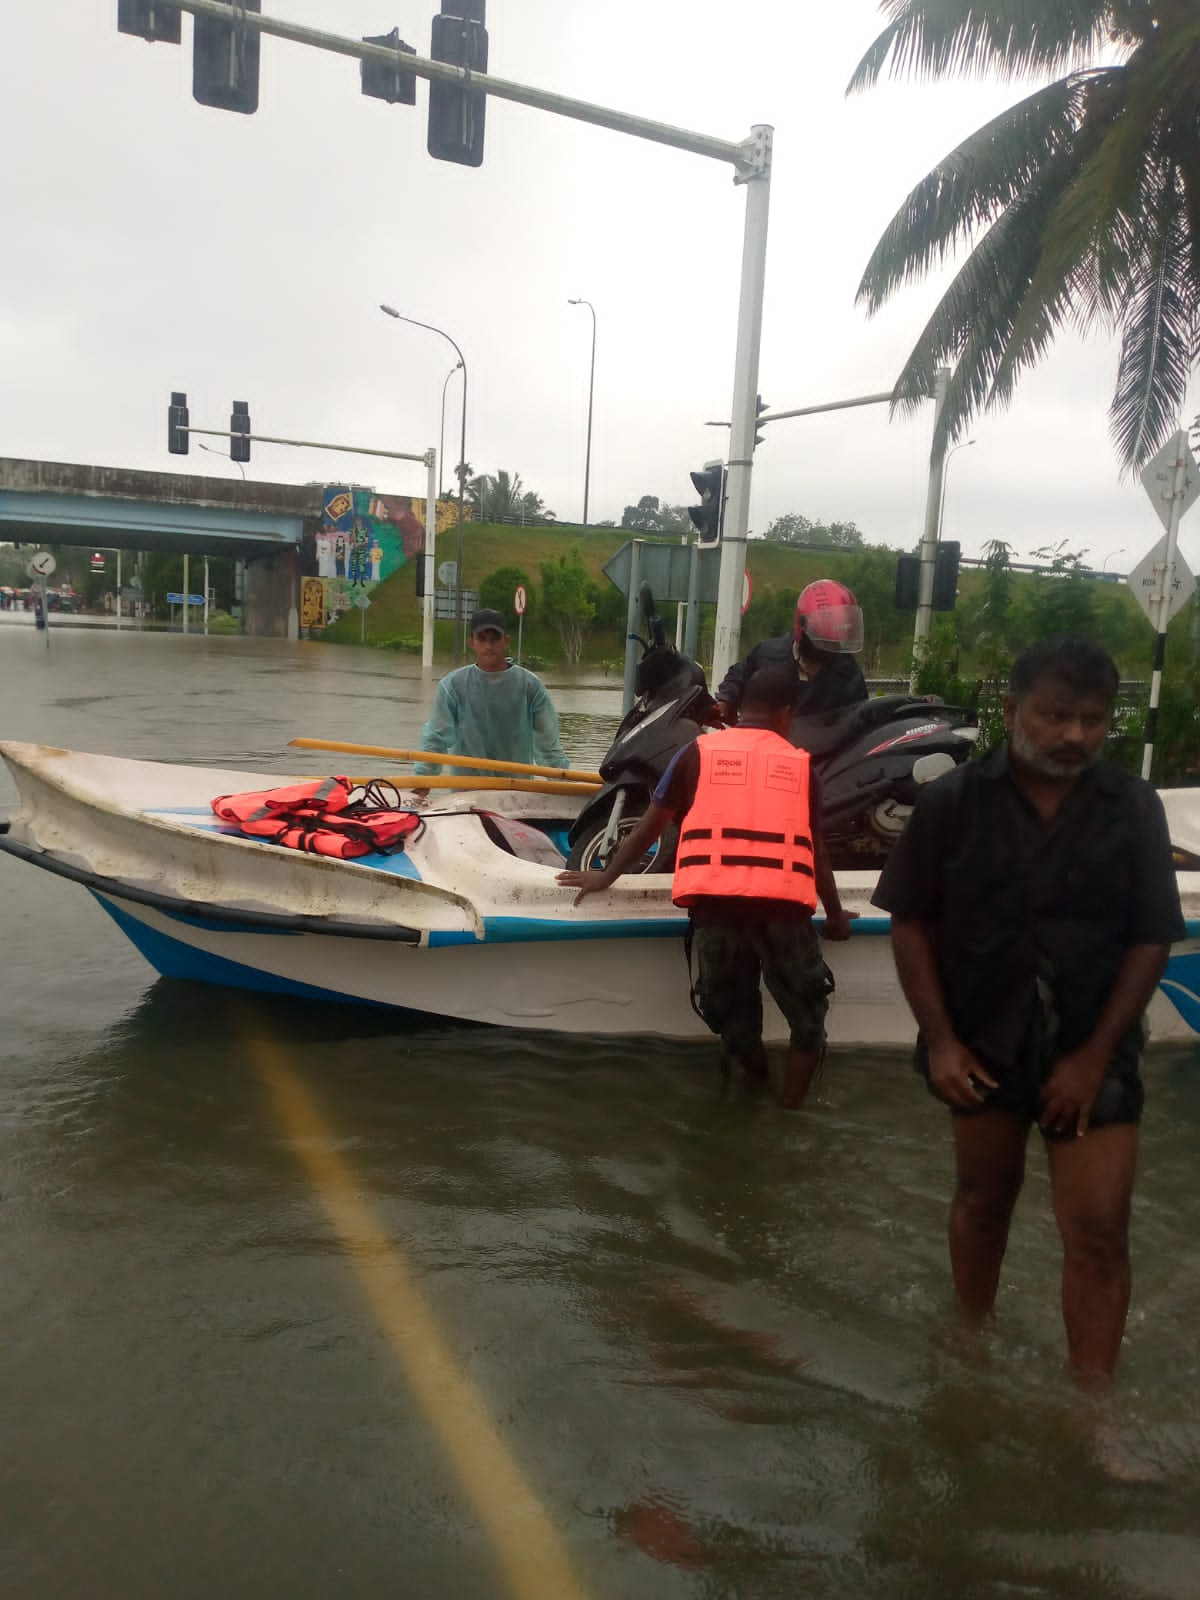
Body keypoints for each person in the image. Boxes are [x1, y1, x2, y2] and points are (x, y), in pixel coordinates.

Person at [871, 636, 1184, 1382]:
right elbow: (909, 919)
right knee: (983, 1200)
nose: (1074, 735)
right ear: (1011, 710)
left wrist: (1094, 1056)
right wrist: (940, 1040)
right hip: (980, 1040)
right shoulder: (952, 802)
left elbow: (1150, 938)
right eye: (1054, 716)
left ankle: (1091, 1407)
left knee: (1102, 1230)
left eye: (1093, 719)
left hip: (1094, 1044)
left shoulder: (1133, 808)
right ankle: (969, 1351)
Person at [559, 666, 853, 1107]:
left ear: (740, 709)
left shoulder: (697, 753)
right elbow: (817, 851)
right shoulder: (799, 765)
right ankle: (790, 1112)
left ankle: (755, 1088)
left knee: (734, 1020)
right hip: (783, 910)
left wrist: (605, 875)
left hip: (717, 906)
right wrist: (833, 915)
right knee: (808, 1020)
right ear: (785, 714)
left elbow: (650, 829)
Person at [415, 607, 568, 775]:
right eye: (482, 638)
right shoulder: (452, 686)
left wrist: (563, 782)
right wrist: (422, 783)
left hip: (516, 789)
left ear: (506, 641)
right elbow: (435, 739)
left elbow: (549, 747)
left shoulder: (530, 686)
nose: (488, 646)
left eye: (495, 639)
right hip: (467, 790)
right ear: (471, 642)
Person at [715, 579, 868, 725]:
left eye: (835, 643)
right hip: (771, 746)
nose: (830, 651)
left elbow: (860, 720)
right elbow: (738, 675)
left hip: (828, 749)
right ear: (802, 628)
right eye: (823, 642)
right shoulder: (768, 654)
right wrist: (726, 700)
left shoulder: (848, 672)